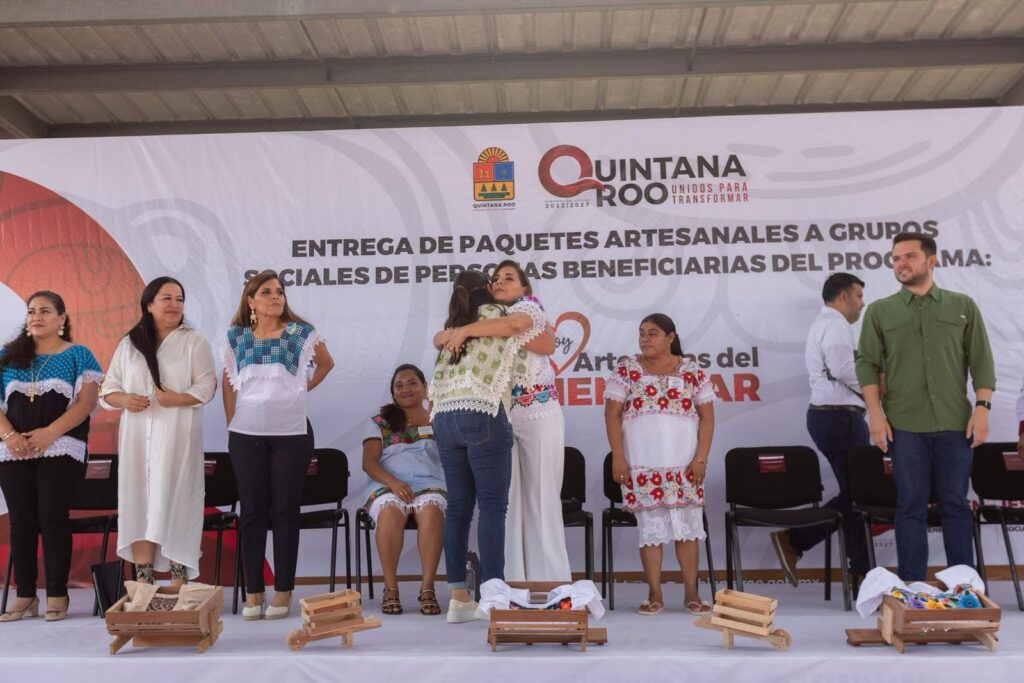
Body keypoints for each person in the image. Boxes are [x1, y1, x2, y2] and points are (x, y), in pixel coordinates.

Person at [856, 232, 995, 580]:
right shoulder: (879, 311)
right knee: (910, 506)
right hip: (904, 424)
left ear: (931, 261)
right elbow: (867, 365)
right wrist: (875, 413)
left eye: (910, 257)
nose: (901, 264)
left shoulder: (962, 306)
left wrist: (982, 409)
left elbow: (982, 362)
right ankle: (912, 589)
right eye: (896, 258)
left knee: (956, 506)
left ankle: (965, 589)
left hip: (955, 422)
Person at [222, 270, 335, 620]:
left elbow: (327, 364)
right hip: (246, 435)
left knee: (285, 511)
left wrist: (297, 393)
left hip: (292, 435)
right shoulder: (236, 337)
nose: (276, 297)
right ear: (251, 301)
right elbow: (229, 383)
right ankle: (253, 592)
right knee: (252, 512)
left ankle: (283, 590)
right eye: (267, 292)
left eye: (280, 291)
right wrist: (233, 423)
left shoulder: (301, 334)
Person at [429, 269, 539, 623]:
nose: (498, 286)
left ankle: (458, 596)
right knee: (492, 507)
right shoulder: (495, 315)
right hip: (481, 411)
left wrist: (458, 331)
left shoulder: (452, 326)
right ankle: (492, 593)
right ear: (485, 291)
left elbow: (437, 338)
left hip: (444, 417)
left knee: (459, 507)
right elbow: (517, 327)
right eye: (492, 283)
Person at [99, 277, 217, 585]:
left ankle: (179, 579)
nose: (174, 305)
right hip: (137, 440)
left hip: (178, 438)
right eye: (167, 298)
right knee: (138, 500)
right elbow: (107, 390)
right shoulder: (129, 343)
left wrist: (174, 399)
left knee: (178, 499)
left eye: (179, 299)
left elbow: (207, 385)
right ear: (149, 304)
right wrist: (125, 399)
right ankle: (143, 579)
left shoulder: (194, 340)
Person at [0, 291, 102, 622]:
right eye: (31, 311)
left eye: (45, 311)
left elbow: (85, 404)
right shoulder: (8, 357)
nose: (36, 316)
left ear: (62, 319)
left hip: (60, 446)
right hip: (14, 449)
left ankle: (57, 594)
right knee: (21, 521)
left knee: (51, 515)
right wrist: (10, 436)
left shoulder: (78, 355)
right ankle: (26, 596)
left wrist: (48, 434)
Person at [604, 313, 715, 615]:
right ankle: (655, 594)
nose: (644, 339)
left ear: (670, 337)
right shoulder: (627, 369)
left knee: (687, 528)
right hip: (643, 464)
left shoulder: (692, 370)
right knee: (650, 529)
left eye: (652, 333)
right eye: (641, 333)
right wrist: (618, 455)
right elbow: (612, 414)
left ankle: (692, 593)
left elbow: (707, 418)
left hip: (684, 464)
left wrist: (701, 457)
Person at [771, 273, 870, 585]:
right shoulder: (836, 324)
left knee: (857, 495)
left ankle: (858, 570)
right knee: (860, 494)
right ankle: (797, 541)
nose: (862, 303)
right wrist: (878, 391)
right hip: (839, 418)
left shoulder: (826, 324)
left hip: (834, 417)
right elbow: (844, 370)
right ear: (843, 296)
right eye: (858, 296)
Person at [488, 260, 569, 582]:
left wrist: (482, 330)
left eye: (509, 278)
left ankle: (551, 581)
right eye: (495, 279)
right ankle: (513, 581)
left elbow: (543, 343)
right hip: (502, 417)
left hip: (538, 412)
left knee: (541, 499)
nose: (500, 282)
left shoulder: (529, 311)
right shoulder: (487, 319)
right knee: (507, 502)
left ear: (525, 289)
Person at [361, 364, 446, 616]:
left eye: (412, 383)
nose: (406, 389)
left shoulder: (439, 418)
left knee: (431, 510)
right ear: (393, 393)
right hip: (388, 484)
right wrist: (394, 483)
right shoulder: (380, 421)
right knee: (390, 511)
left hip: (431, 483)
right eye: (399, 385)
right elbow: (369, 462)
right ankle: (390, 589)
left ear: (425, 388)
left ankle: (428, 588)